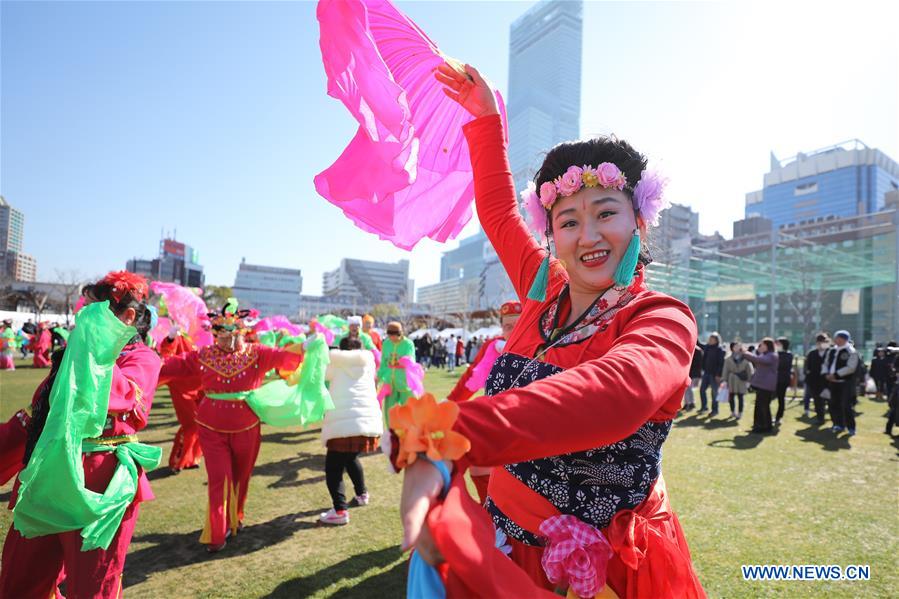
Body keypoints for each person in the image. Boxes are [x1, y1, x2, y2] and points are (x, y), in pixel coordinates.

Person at [394, 62, 705, 597]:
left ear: (640, 221)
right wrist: (487, 121)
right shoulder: (543, 288)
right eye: (567, 221)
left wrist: (454, 433)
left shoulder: (662, 317)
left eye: (605, 213)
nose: (588, 235)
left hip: (607, 565)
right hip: (510, 542)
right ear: (551, 235)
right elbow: (495, 210)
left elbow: (614, 393)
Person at [0, 271, 161, 598]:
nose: (83, 317)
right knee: (18, 583)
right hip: (45, 483)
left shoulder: (142, 359)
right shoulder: (72, 356)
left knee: (92, 588)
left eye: (94, 310)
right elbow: (39, 416)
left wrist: (93, 351)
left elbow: (127, 403)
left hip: (101, 489)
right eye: (85, 309)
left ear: (129, 317)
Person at [158, 300, 303, 551]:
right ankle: (217, 532)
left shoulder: (258, 353)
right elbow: (169, 365)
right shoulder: (203, 355)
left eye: (232, 335)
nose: (226, 341)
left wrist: (308, 346)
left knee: (241, 477)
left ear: (242, 332)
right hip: (210, 427)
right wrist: (169, 342)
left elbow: (285, 358)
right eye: (220, 336)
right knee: (219, 479)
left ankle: (236, 517)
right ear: (214, 335)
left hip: (247, 426)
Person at [446, 300, 523, 504]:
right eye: (508, 326)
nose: (513, 331)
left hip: (525, 426)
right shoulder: (493, 347)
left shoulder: (541, 346)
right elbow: (471, 379)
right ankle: (488, 513)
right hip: (495, 421)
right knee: (480, 464)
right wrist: (448, 405)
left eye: (519, 325)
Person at [318, 337, 383, 525]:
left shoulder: (335, 364)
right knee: (351, 458)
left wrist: (326, 353)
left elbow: (321, 373)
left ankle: (340, 511)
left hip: (342, 423)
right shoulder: (369, 363)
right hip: (367, 422)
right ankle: (362, 494)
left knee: (333, 469)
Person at [158, 325, 204, 473]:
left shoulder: (202, 332)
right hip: (181, 385)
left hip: (200, 384)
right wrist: (171, 338)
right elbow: (166, 352)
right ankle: (177, 461)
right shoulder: (179, 334)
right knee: (190, 425)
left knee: (203, 424)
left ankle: (192, 459)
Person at [376, 321, 417, 425]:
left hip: (404, 382)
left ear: (400, 333)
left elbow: (409, 360)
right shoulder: (386, 343)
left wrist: (397, 363)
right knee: (390, 410)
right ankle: (391, 432)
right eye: (390, 336)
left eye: (395, 336)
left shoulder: (408, 344)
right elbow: (383, 363)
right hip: (390, 382)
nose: (392, 338)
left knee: (409, 408)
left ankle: (410, 431)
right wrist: (379, 377)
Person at [823, 330, 859, 436]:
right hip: (832, 382)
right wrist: (826, 374)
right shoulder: (832, 350)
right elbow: (825, 363)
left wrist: (836, 374)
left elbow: (850, 368)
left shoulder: (851, 351)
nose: (836, 340)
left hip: (845, 382)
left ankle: (851, 427)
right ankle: (838, 424)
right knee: (833, 404)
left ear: (844, 339)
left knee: (846, 405)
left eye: (838, 338)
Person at [742, 338, 778, 434]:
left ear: (767, 346)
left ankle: (763, 426)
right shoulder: (766, 355)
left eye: (761, 345)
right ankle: (761, 426)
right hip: (762, 385)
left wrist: (745, 352)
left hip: (766, 385)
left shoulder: (772, 356)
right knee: (760, 406)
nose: (759, 347)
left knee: (763, 406)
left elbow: (757, 359)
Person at [803, 333, 830, 423]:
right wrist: (808, 375)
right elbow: (807, 367)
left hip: (828, 381)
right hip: (814, 381)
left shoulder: (831, 352)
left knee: (831, 401)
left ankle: (835, 419)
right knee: (817, 401)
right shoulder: (812, 353)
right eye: (820, 342)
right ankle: (820, 418)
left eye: (825, 341)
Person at [722, 343, 753, 419]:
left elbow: (749, 370)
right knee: (731, 396)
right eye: (735, 346)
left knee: (740, 396)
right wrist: (724, 380)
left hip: (741, 380)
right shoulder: (728, 358)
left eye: (738, 346)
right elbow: (725, 370)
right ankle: (732, 412)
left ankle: (740, 412)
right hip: (731, 379)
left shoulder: (745, 358)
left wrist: (749, 381)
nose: (736, 348)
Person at [698, 333, 725, 415]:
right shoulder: (707, 347)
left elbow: (721, 364)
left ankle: (715, 410)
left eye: (712, 339)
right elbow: (698, 344)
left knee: (714, 393)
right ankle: (704, 407)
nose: (710, 340)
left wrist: (718, 375)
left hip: (715, 375)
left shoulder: (720, 350)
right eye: (709, 339)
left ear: (716, 340)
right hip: (706, 373)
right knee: (702, 390)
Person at [774, 337, 795, 425]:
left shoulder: (788, 355)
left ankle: (779, 417)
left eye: (778, 344)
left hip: (782, 380)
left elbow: (781, 366)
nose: (776, 345)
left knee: (781, 399)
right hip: (773, 379)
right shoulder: (775, 354)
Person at [683, 342, 703, 410]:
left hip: (693, 373)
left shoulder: (697, 350)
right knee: (685, 389)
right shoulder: (687, 349)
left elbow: (699, 364)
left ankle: (691, 403)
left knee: (689, 388)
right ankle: (686, 403)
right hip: (688, 372)